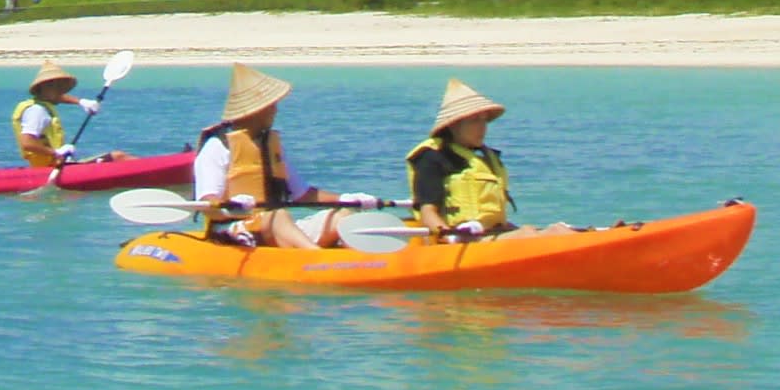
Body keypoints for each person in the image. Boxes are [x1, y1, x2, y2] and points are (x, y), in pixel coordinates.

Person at [192, 63, 388, 248]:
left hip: (273, 227)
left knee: (345, 216)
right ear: (255, 110)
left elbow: (303, 195)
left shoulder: (270, 145)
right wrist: (232, 208)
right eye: (271, 106)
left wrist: (347, 199)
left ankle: (359, 259)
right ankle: (315, 258)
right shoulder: (217, 147)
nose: (275, 111)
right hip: (232, 230)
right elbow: (207, 204)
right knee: (277, 216)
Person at [407, 79, 552, 240]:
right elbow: (428, 213)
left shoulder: (487, 158)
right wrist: (450, 237)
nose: (482, 127)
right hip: (462, 240)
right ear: (454, 125)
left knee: (557, 231)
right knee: (527, 235)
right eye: (475, 120)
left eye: (484, 120)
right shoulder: (432, 157)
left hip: (493, 234)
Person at [12, 59, 105, 167]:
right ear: (43, 88)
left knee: (117, 156)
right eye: (56, 87)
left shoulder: (44, 101)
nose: (60, 91)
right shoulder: (37, 111)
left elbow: (57, 97)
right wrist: (56, 152)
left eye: (61, 88)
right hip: (48, 168)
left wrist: (82, 102)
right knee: (118, 157)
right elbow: (27, 143)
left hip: (58, 164)